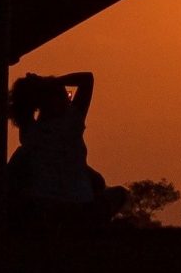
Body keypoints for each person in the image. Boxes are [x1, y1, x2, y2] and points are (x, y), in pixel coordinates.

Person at [7, 71, 127, 228]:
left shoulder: (30, 133)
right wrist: (51, 83)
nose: (68, 100)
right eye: (65, 95)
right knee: (119, 193)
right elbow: (87, 78)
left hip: (45, 205)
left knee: (100, 183)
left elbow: (23, 106)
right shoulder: (72, 122)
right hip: (74, 206)